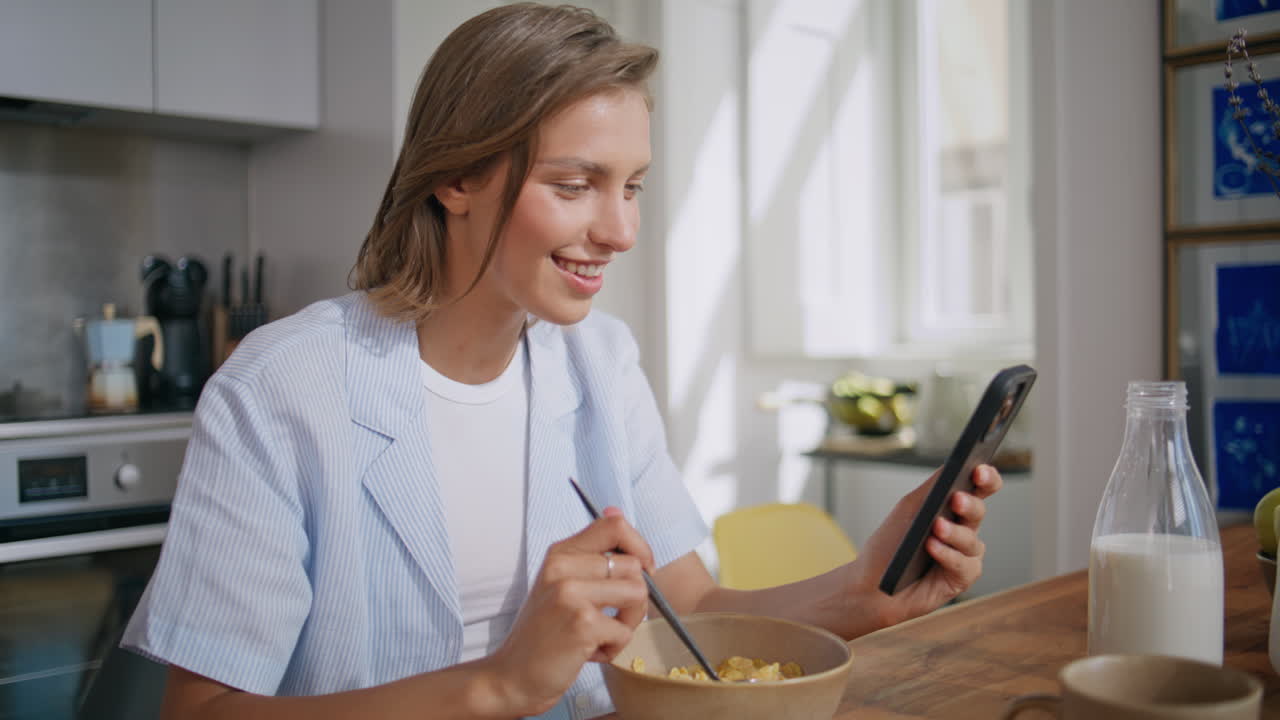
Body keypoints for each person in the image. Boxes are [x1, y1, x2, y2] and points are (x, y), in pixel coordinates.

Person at [121, 4, 1003, 719]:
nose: (618, 230)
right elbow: (201, 712)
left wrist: (865, 591)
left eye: (632, 187)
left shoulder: (601, 362)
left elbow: (688, 613)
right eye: (574, 185)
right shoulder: (280, 390)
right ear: (455, 178)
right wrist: (502, 685)